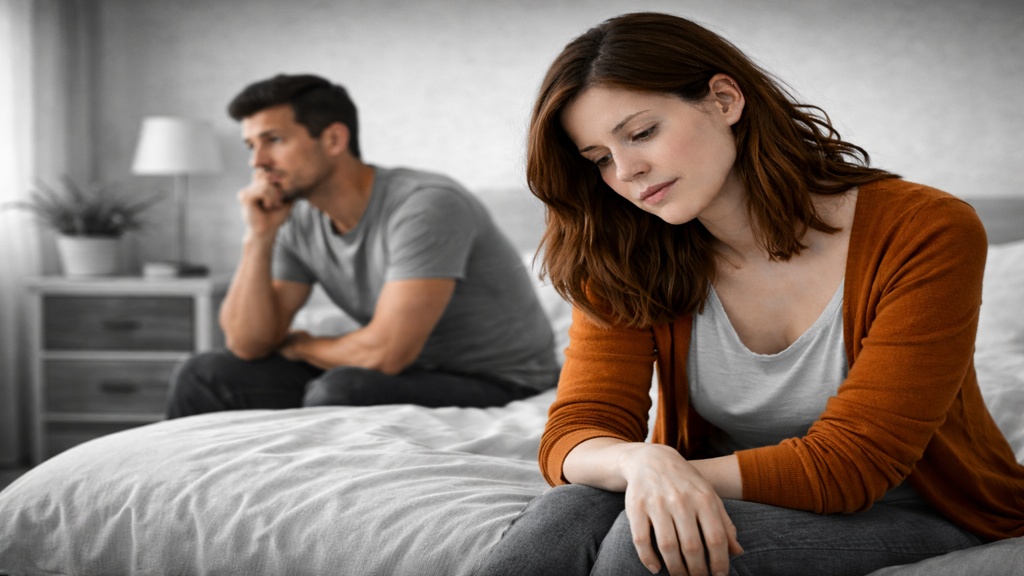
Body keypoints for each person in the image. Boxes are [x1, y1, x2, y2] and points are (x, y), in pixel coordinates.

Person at [479, 12, 1024, 576]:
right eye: (599, 160)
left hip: (914, 507)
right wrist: (644, 465)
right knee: (563, 515)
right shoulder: (625, 249)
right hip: (732, 490)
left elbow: (855, 462)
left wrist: (670, 476)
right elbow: (578, 428)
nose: (627, 171)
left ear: (724, 100)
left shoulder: (925, 229)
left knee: (651, 552)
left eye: (641, 133)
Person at [166, 73, 560, 418]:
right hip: (404, 372)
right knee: (204, 374)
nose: (258, 161)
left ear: (334, 139)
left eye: (274, 140)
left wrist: (303, 346)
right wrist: (258, 236)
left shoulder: (426, 204)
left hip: (499, 379)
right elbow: (247, 344)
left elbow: (385, 353)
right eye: (251, 146)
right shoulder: (294, 217)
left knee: (341, 390)